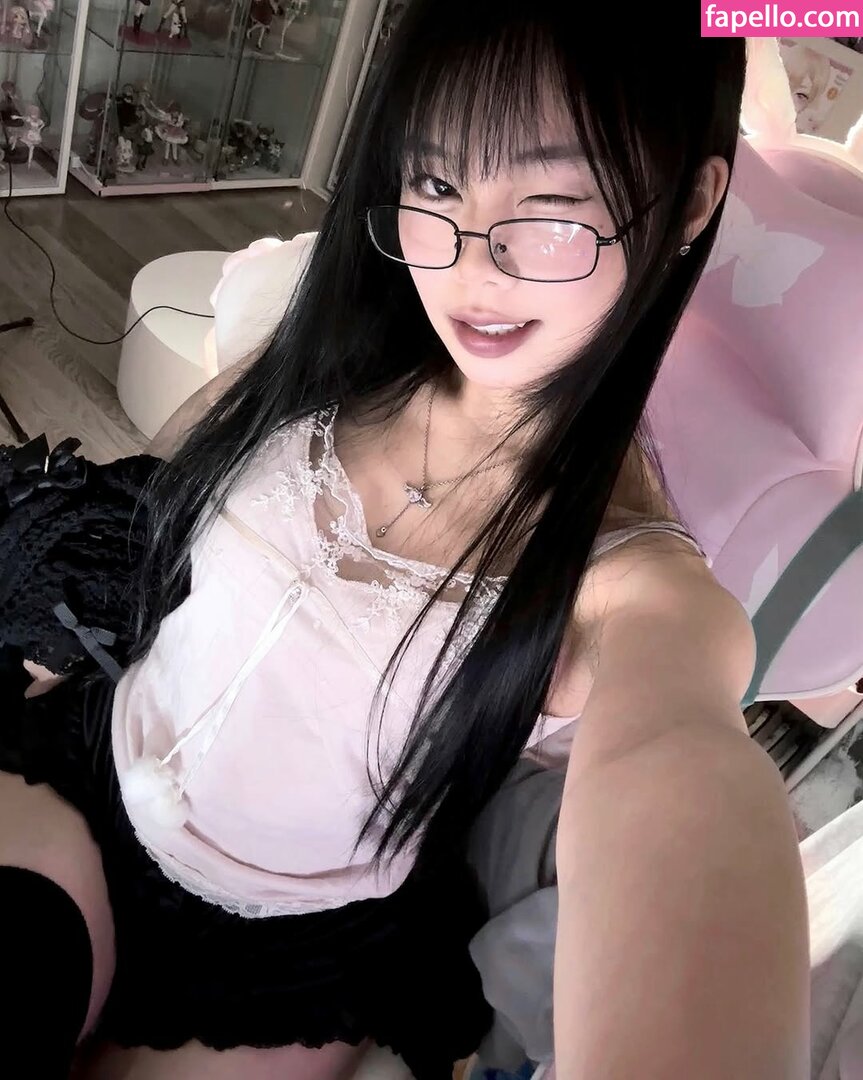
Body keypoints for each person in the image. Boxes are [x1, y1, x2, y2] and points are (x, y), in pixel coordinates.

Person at [0, 2, 810, 1078]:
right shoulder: (326, 359)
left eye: (549, 206)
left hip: (286, 951)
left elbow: (682, 772)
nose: (470, 268)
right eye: (434, 184)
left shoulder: (632, 586)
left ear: (691, 202)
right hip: (87, 775)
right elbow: (149, 512)